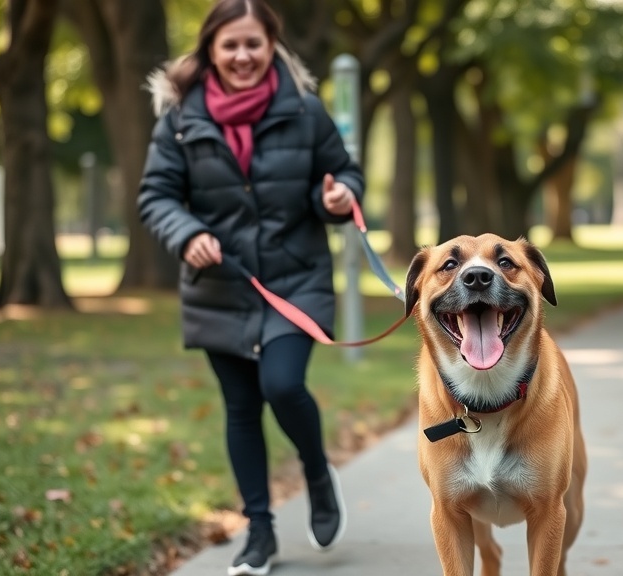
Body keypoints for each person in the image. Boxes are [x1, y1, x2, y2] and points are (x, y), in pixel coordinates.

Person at [136, 1, 363, 574]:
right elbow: (155, 194)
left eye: (253, 44)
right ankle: (258, 532)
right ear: (211, 48)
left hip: (296, 278)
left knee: (283, 385)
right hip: (220, 285)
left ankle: (316, 469)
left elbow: (343, 174)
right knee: (240, 407)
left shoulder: (305, 111)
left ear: (272, 46)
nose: (242, 56)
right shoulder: (181, 119)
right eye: (230, 45)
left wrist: (337, 198)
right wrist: (186, 232)